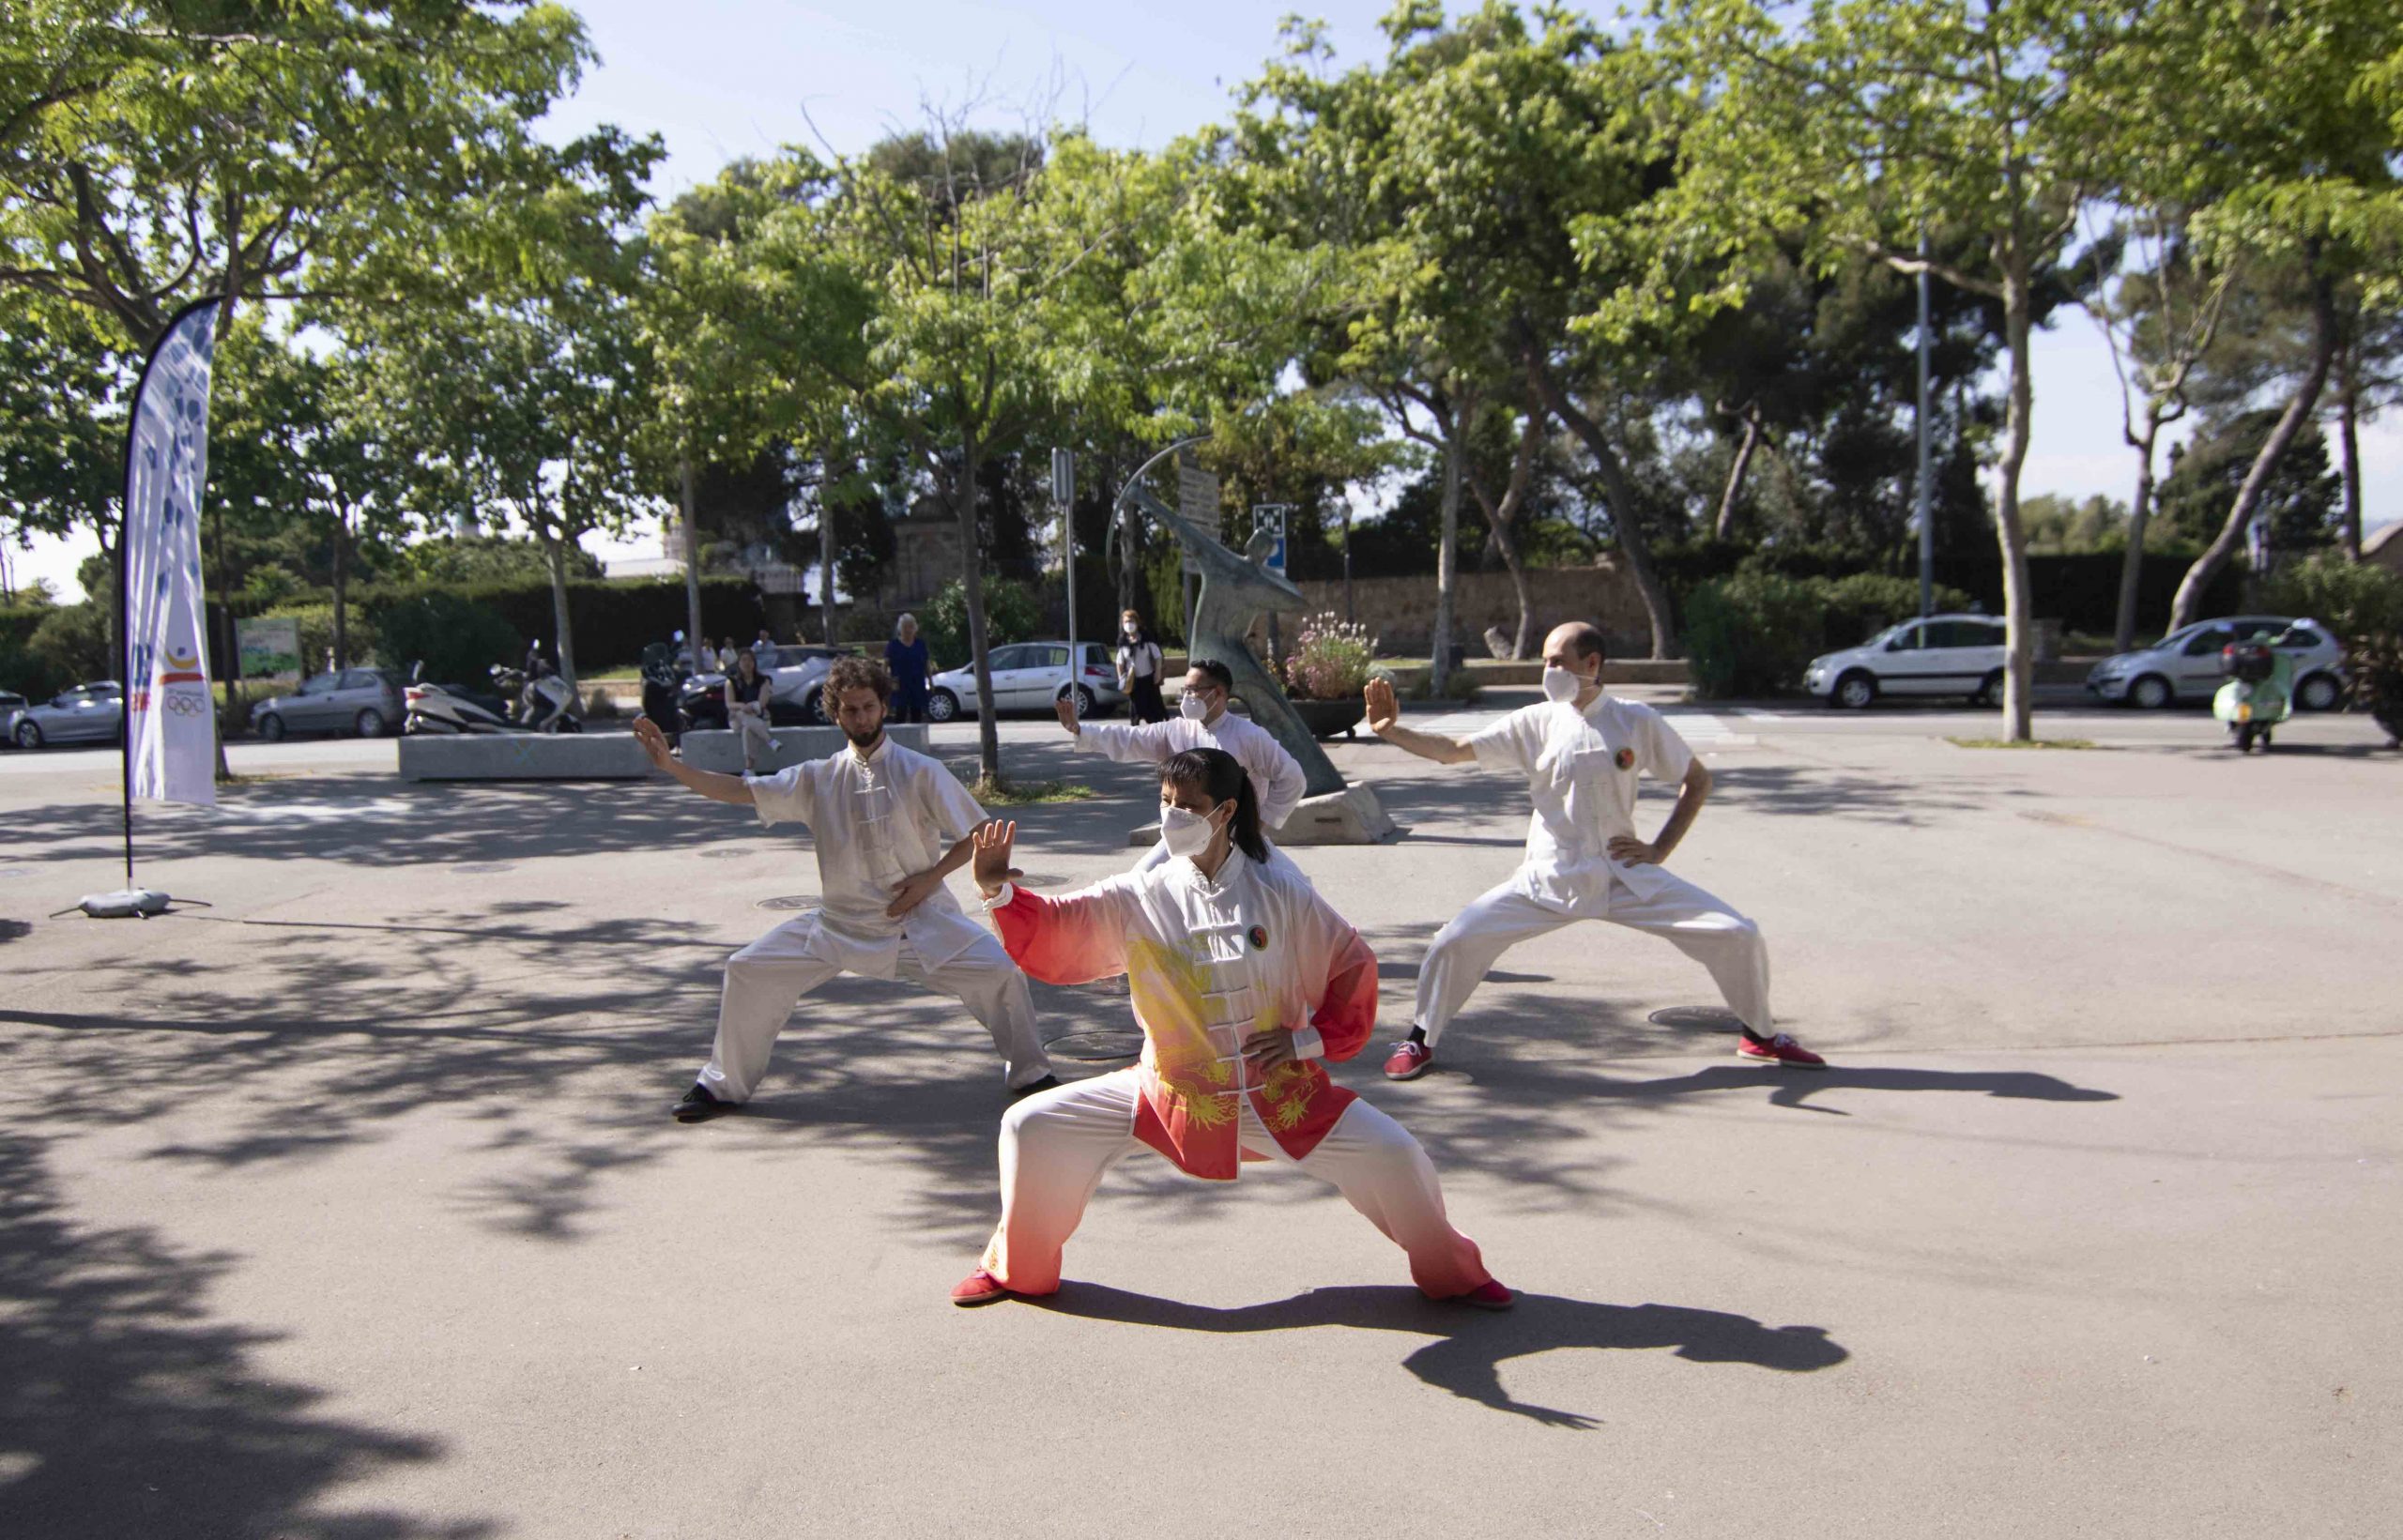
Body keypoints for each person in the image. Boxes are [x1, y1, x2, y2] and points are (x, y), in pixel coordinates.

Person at [949, 748, 1509, 1310]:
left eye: (1188, 806)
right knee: (1030, 1124)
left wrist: (1305, 1041)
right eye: (1166, 802)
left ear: (1225, 812)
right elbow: (1055, 927)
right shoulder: (1140, 893)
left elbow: (1350, 965)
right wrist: (997, 891)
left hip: (1281, 1093)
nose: (1172, 817)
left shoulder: (1281, 890)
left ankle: (1453, 1273)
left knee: (1397, 1155)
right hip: (1168, 1093)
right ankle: (1015, 1270)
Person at [1366, 620, 1824, 1080]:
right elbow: (1453, 750)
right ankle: (1420, 1039)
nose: (1547, 670)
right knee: (1455, 941)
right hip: (1548, 877)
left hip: (1626, 875)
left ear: (1592, 664)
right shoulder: (1535, 722)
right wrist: (1391, 730)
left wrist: (1659, 849)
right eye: (1544, 660)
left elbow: (1697, 781)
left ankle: (1760, 1036)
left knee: (1736, 933)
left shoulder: (1636, 720)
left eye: (1556, 661)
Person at [632, 656, 1060, 1121]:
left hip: (918, 923)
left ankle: (1032, 1075)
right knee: (747, 969)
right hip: (837, 927)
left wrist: (928, 881)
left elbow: (977, 831)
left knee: (1001, 973)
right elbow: (742, 790)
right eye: (851, 710)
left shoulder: (920, 770)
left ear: (883, 706)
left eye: (869, 707)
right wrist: (675, 768)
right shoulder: (817, 777)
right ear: (836, 713)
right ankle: (720, 1086)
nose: (861, 718)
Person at [1053, 657, 1307, 870]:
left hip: (1235, 842)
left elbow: (1292, 778)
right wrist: (1080, 730)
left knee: (1285, 890)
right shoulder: (1176, 731)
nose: (1187, 696)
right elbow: (1129, 739)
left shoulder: (1250, 735)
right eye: (1185, 689)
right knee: (1141, 881)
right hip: (1182, 838)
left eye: (1193, 690)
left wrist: (1257, 826)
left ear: (1218, 693)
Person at [725, 646, 778, 771]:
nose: (747, 663)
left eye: (750, 660)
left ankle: (749, 769)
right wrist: (743, 706)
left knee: (748, 729)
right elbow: (729, 704)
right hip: (737, 718)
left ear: (754, 663)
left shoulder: (764, 680)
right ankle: (769, 740)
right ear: (738, 663)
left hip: (759, 718)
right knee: (741, 716)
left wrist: (752, 706)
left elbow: (763, 703)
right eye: (743, 660)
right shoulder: (731, 681)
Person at [1115, 609, 1168, 724]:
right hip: (1134, 682)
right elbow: (1119, 662)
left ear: (1137, 622)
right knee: (1135, 710)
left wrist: (1157, 673)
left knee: (1153, 712)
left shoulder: (1146, 638)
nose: (1128, 624)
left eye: (1131, 621)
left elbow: (1157, 656)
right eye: (1126, 622)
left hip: (1148, 680)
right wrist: (1122, 679)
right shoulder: (1123, 642)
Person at [886, 614, 932, 724]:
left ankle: (916, 740)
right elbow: (885, 664)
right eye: (905, 627)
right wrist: (887, 681)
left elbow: (926, 663)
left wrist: (931, 680)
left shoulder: (920, 644)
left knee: (917, 712)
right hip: (900, 684)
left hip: (917, 683)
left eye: (911, 627)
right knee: (900, 713)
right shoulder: (893, 645)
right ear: (900, 629)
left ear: (915, 628)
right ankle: (899, 740)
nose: (908, 630)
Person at [639, 639, 681, 746]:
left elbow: (671, 677)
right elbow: (648, 677)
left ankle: (674, 734)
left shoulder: (665, 666)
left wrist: (671, 682)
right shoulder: (649, 669)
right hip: (656, 699)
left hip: (668, 698)